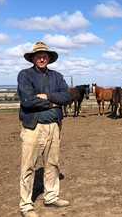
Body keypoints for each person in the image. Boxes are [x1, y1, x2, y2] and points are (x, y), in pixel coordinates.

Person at [17, 41, 72, 217]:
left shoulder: (57, 76)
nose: (42, 58)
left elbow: (67, 97)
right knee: (28, 166)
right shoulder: (25, 75)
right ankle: (26, 205)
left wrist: (47, 96)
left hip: (54, 127)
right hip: (33, 127)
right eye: (38, 55)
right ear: (33, 58)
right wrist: (54, 103)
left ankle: (51, 196)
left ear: (49, 58)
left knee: (52, 163)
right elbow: (27, 100)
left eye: (44, 55)